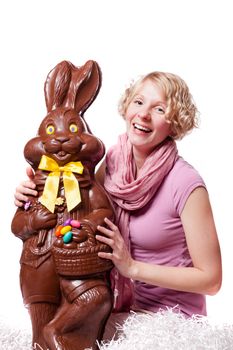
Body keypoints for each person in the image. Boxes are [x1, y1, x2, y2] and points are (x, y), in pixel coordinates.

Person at [14, 71, 222, 341]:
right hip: (120, 308)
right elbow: (78, 202)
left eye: (159, 109)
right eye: (138, 102)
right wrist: (29, 197)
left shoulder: (186, 183)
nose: (144, 114)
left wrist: (132, 267)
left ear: (174, 123)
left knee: (63, 336)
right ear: (126, 107)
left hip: (171, 319)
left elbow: (211, 280)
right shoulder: (113, 160)